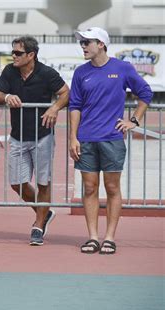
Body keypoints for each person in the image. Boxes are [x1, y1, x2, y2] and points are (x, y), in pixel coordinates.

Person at [69, 27, 153, 255]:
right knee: (89, 187)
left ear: (101, 44)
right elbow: (74, 106)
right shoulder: (80, 73)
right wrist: (73, 137)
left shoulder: (122, 68)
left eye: (87, 42)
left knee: (112, 187)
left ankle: (109, 237)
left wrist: (133, 120)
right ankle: (93, 237)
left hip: (112, 139)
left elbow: (145, 93)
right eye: (82, 43)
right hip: (86, 139)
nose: (83, 46)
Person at [0, 36, 69, 246]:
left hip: (43, 135)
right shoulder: (9, 71)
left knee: (43, 181)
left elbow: (65, 93)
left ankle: (37, 225)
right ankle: (44, 212)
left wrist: (54, 108)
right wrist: (7, 97)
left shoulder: (46, 73)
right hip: (17, 136)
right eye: (13, 52)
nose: (13, 56)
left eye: (18, 53)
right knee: (17, 183)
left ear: (31, 55)